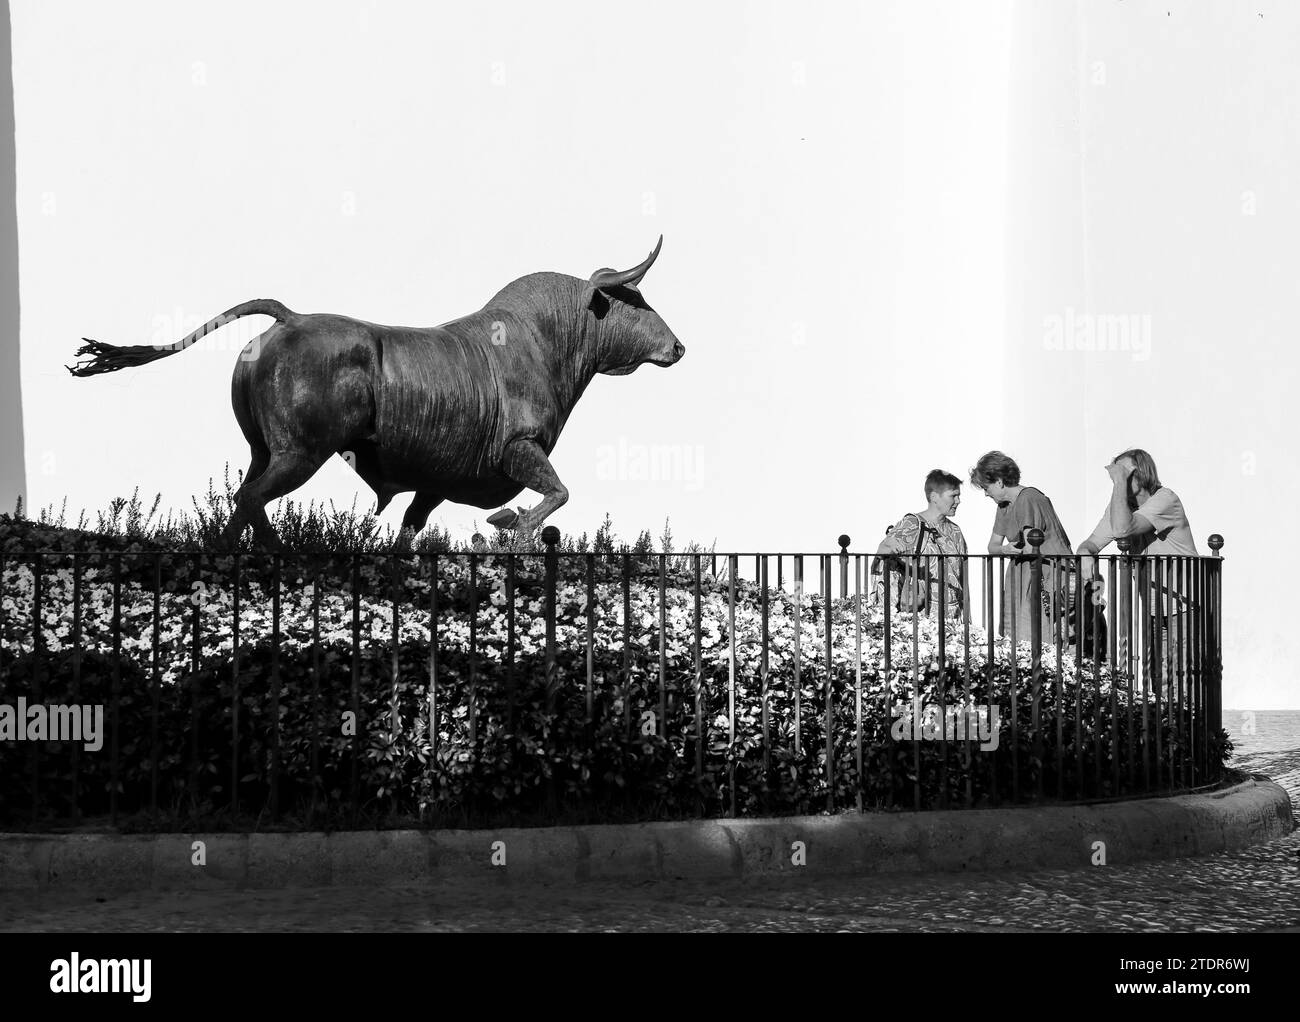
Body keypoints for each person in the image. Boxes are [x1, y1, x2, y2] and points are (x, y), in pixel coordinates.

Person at [1076, 449, 1197, 686]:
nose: (1120, 480)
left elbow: (1123, 530)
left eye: (1127, 473)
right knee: (1158, 682)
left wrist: (1119, 480)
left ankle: (1186, 723)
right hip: (1154, 609)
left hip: (1183, 608)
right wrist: (1084, 553)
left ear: (1143, 473)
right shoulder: (1121, 508)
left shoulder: (1165, 499)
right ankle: (1162, 724)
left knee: (1182, 682)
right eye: (1117, 476)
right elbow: (1092, 541)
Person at [969, 451, 1073, 642]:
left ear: (999, 481)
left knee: (1037, 636)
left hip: (1043, 575)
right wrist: (1005, 550)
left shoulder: (1028, 498)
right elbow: (993, 546)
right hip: (1023, 574)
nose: (985, 493)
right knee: (1017, 636)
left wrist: (1009, 549)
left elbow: (1030, 548)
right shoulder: (1003, 505)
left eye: (986, 487)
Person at [873, 469, 969, 618]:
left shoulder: (955, 530)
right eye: (953, 496)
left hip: (952, 622)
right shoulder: (912, 524)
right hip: (923, 621)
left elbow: (962, 580)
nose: (958, 501)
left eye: (958, 496)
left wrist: (966, 621)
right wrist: (889, 547)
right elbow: (882, 553)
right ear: (934, 497)